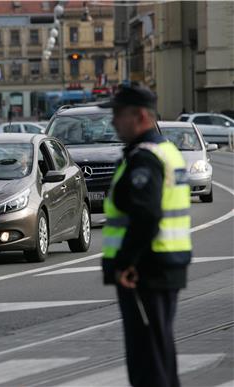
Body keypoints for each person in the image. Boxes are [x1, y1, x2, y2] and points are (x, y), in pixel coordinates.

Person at [99, 85, 192, 387]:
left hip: (144, 270)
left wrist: (126, 262)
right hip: (162, 265)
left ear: (140, 116)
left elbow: (146, 215)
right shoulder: (166, 151)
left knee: (147, 360)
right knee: (159, 352)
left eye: (118, 114)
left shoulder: (145, 158)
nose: (113, 122)